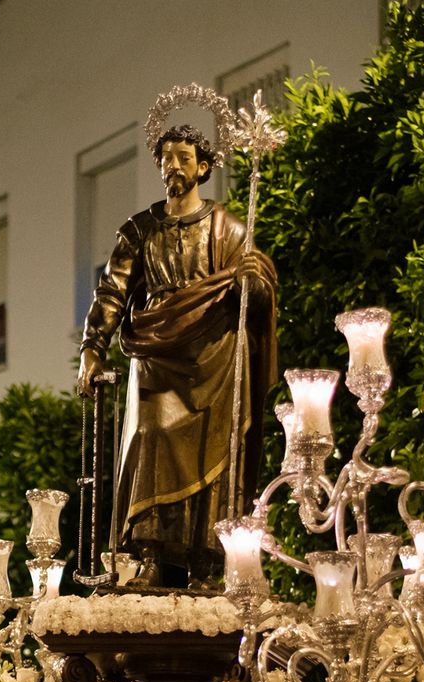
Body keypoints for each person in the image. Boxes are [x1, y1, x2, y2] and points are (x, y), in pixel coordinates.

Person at [77, 124, 278, 587]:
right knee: (150, 437)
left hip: (214, 356)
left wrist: (253, 281)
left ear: (203, 168)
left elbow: (257, 296)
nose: (173, 165)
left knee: (216, 453)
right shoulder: (140, 231)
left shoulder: (229, 229)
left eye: (184, 157)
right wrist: (92, 348)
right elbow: (112, 293)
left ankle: (206, 562)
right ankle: (149, 556)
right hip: (156, 351)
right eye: (167, 157)